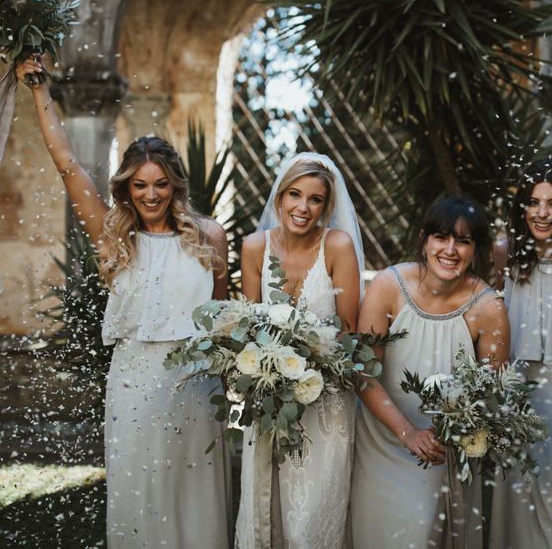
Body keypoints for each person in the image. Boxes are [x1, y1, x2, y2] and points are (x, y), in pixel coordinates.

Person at [15, 56, 232, 548]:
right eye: (139, 185)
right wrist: (40, 92)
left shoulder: (210, 236)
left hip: (197, 383)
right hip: (134, 380)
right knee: (141, 489)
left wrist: (225, 389)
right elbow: (68, 164)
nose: (150, 194)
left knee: (195, 493)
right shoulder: (114, 238)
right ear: (126, 188)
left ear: (174, 184)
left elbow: (223, 320)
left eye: (159, 184)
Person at [350, 196, 510, 549]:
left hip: (441, 450)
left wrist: (456, 428)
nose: (450, 249)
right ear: (424, 240)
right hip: (382, 439)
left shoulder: (488, 307)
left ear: (476, 250)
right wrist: (406, 432)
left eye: (463, 241)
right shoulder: (389, 286)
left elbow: (493, 391)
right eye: (441, 237)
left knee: (422, 536)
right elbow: (363, 372)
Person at [234, 153, 363, 549]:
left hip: (325, 404)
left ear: (327, 206)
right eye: (294, 194)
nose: (302, 208)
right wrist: (263, 370)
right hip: (269, 398)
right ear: (279, 198)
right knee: (265, 506)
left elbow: (348, 331)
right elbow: (247, 327)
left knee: (312, 515)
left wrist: (311, 360)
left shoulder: (337, 246)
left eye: (315, 199)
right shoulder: (254, 247)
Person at [490, 158, 552, 548]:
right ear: (522, 206)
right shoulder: (505, 252)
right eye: (534, 202)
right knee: (521, 477)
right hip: (519, 387)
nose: (542, 213)